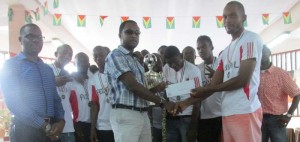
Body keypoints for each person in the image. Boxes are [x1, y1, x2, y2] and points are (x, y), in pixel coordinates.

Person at [175, 1, 264, 142]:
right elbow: (211, 87)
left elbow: (243, 80)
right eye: (224, 17)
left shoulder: (250, 39)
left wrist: (211, 89)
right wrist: (186, 103)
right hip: (227, 112)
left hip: (245, 110)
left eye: (233, 16)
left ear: (244, 18)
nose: (227, 20)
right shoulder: (225, 52)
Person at [104, 20, 174, 142]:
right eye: (129, 32)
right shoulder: (116, 55)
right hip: (126, 114)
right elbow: (132, 86)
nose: (134, 35)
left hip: (142, 114)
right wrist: (162, 103)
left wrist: (156, 88)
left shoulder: (135, 61)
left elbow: (140, 90)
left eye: (137, 33)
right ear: (120, 35)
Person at [0, 23, 65, 142]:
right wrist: (43, 125)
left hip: (51, 130)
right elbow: (13, 102)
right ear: (20, 40)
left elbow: (55, 99)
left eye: (39, 37)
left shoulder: (47, 69)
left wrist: (61, 121)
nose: (36, 40)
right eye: (30, 36)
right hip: (25, 130)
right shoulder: (11, 65)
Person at [258, 45, 300, 142]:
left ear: (268, 55)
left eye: (264, 52)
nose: (262, 55)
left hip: (277, 121)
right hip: (258, 119)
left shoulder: (281, 74)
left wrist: (289, 115)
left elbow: (297, 94)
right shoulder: (254, 75)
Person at [163, 46, 202, 142]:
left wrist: (193, 126)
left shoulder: (193, 70)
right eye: (169, 63)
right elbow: (166, 92)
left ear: (181, 56)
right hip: (171, 118)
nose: (173, 65)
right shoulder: (166, 68)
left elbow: (198, 98)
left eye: (176, 62)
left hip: (188, 118)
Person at [196, 35, 222, 142]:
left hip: (222, 114)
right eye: (198, 48)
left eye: (204, 47)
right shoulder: (197, 69)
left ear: (211, 47)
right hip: (204, 116)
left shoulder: (221, 64)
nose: (201, 50)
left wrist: (217, 76)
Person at [49, 44, 75, 142]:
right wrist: (54, 81)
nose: (67, 57)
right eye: (64, 53)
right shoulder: (47, 69)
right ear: (56, 54)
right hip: (53, 124)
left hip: (68, 124)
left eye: (70, 55)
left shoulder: (68, 74)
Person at [69, 52, 97, 142]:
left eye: (84, 61)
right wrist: (75, 125)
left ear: (88, 64)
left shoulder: (93, 79)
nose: (82, 64)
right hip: (80, 124)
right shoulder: (71, 81)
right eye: (79, 62)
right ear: (74, 64)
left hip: (96, 123)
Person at [90, 46, 115, 142]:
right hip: (103, 126)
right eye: (95, 56)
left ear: (108, 56)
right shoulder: (93, 79)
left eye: (101, 55)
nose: (98, 58)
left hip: (120, 123)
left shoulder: (117, 74)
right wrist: (92, 129)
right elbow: (94, 105)